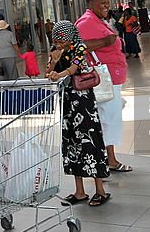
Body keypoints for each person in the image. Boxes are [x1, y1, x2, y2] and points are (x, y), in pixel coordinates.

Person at [47, 21, 110, 207]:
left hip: (83, 100)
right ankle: (79, 191)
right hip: (66, 100)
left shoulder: (80, 47)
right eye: (56, 39)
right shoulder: (56, 50)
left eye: (61, 39)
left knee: (90, 140)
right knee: (72, 142)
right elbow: (48, 71)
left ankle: (100, 190)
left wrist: (60, 73)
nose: (59, 43)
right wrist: (55, 61)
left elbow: (74, 69)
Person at [76, 0, 133, 173]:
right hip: (104, 79)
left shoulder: (96, 20)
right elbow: (77, 47)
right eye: (102, 2)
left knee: (109, 117)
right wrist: (105, 41)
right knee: (109, 119)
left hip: (110, 78)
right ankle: (111, 160)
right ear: (90, 2)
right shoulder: (86, 22)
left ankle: (109, 158)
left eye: (107, 1)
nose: (106, 5)